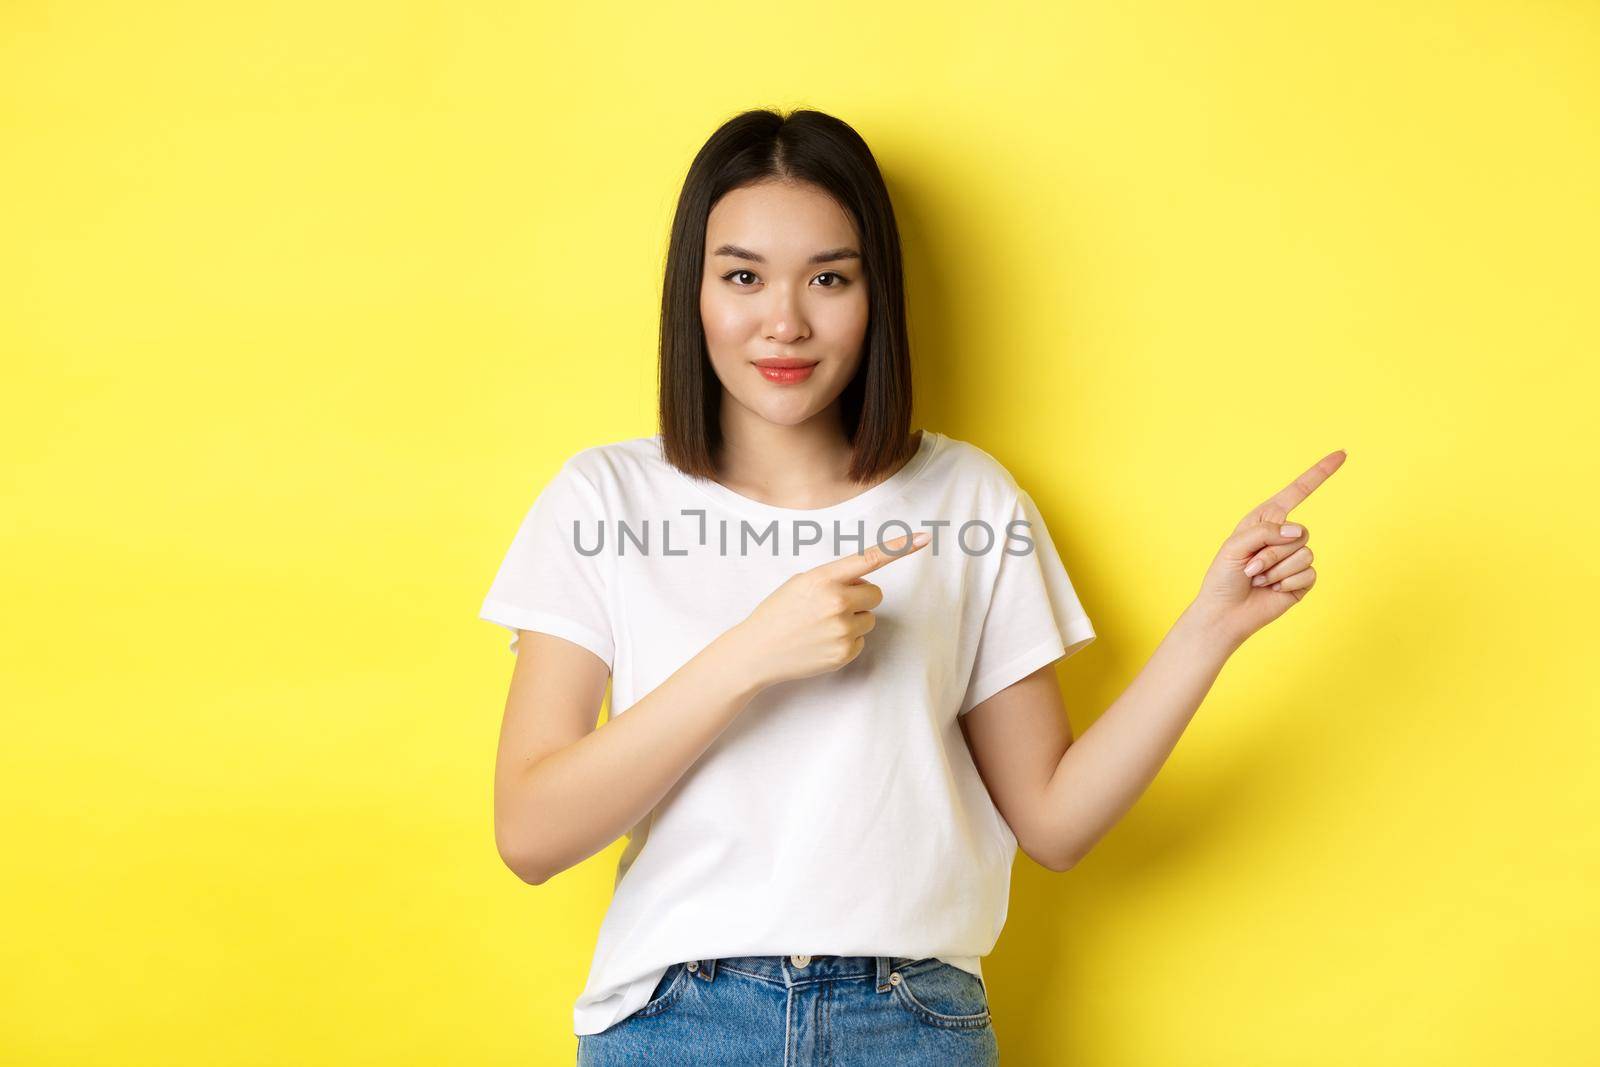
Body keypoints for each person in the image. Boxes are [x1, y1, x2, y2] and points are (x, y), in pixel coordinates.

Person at [479, 107, 1344, 1066]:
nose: (785, 320)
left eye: (829, 278)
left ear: (874, 294)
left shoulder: (967, 496)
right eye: (742, 275)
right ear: (694, 292)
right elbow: (531, 831)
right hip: (679, 1019)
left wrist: (1209, 628)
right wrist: (750, 654)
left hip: (910, 1022)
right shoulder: (604, 497)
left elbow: (1054, 822)